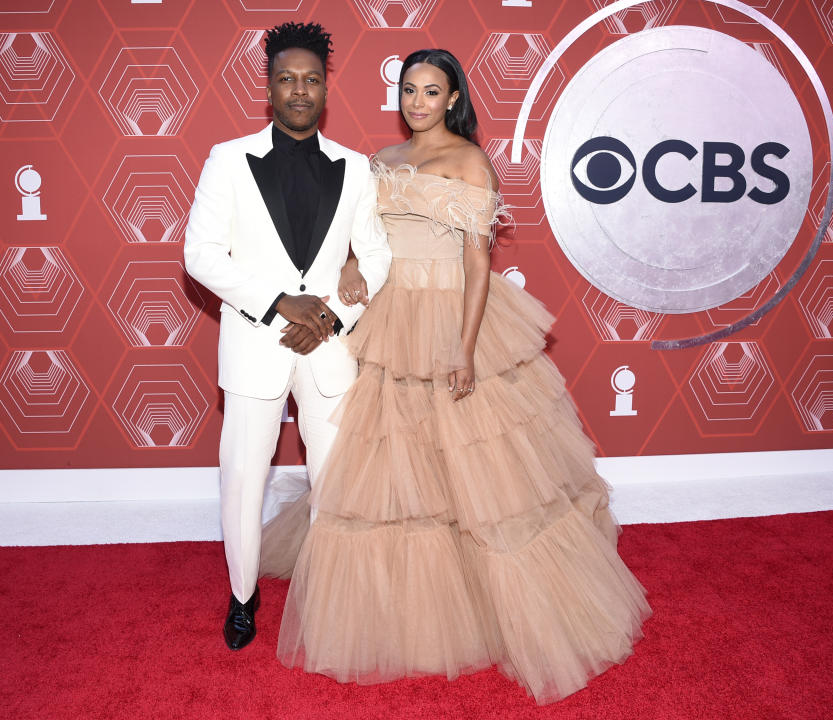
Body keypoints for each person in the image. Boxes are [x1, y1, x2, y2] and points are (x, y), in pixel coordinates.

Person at [276, 49, 651, 703]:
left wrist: (466, 348)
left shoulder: (470, 162)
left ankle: (494, 601)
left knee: (480, 472)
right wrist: (347, 266)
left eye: (431, 91)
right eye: (409, 91)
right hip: (392, 315)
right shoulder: (381, 163)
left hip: (452, 312)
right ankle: (411, 600)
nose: (417, 102)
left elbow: (479, 264)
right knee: (397, 458)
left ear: (453, 98)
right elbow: (362, 237)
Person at [183, 22, 391, 651]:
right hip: (255, 344)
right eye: (285, 79)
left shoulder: (356, 169)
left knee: (334, 482)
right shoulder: (228, 158)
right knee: (244, 477)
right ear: (268, 87)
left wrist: (327, 318)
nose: (299, 90)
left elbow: (376, 256)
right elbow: (201, 255)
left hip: (327, 348)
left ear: (325, 87)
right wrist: (280, 307)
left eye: (310, 79)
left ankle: (327, 594)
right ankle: (242, 597)